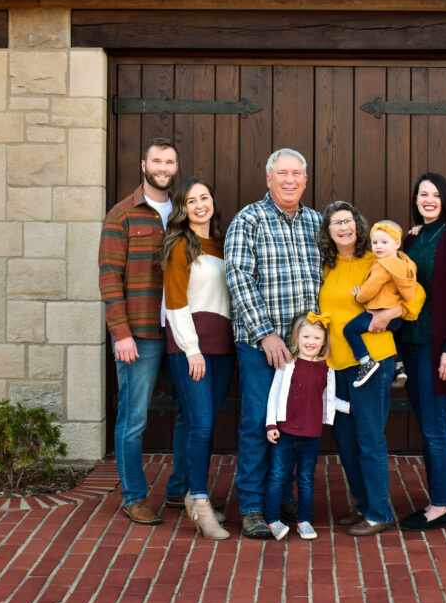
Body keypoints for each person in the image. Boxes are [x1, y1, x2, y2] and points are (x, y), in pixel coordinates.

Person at [224, 148, 323, 539]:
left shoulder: (317, 222)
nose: (289, 180)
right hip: (260, 345)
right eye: (281, 173)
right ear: (268, 178)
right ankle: (250, 505)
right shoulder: (249, 220)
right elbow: (238, 278)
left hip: (304, 354)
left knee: (294, 427)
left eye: (296, 173)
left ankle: (277, 497)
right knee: (256, 424)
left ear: (305, 180)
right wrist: (266, 334)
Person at [317, 202, 424, 536]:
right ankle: (363, 505)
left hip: (373, 361)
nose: (344, 228)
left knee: (368, 437)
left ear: (358, 225)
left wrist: (388, 314)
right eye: (336, 223)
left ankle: (379, 513)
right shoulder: (325, 264)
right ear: (328, 230)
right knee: (346, 439)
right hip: (337, 364)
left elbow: (416, 296)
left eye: (348, 221)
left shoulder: (376, 259)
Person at [98, 136, 186, 525]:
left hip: (181, 333)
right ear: (143, 165)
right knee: (133, 419)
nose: (163, 167)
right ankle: (134, 496)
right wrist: (121, 333)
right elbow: (109, 277)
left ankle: (179, 490)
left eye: (169, 161)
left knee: (192, 411)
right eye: (157, 161)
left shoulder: (184, 213)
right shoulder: (123, 215)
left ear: (175, 167)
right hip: (142, 334)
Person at [397, 173, 446, 532]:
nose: (428, 200)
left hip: (437, 349)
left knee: (434, 427)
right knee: (428, 425)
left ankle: (441, 505)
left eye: (434, 195)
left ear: (445, 199)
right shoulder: (414, 238)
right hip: (411, 347)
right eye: (422, 194)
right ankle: (438, 497)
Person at [160, 177, 234, 540]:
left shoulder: (223, 244)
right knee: (201, 424)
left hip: (223, 348)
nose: (200, 204)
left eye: (205, 197)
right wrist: (192, 349)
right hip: (192, 349)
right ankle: (201, 502)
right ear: (183, 209)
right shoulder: (179, 246)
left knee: (200, 423)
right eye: (192, 200)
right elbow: (175, 302)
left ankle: (191, 491)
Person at [264, 312, 349, 541]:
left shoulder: (326, 369)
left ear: (323, 342)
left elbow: (329, 400)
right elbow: (274, 395)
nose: (311, 342)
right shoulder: (287, 364)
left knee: (306, 478)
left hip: (311, 434)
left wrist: (351, 407)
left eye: (316, 338)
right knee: (278, 475)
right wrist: (271, 423)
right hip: (284, 431)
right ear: (296, 337)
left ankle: (303, 520)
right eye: (306, 337)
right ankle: (272, 519)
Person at [343, 220, 418, 388]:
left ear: (397, 243)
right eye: (375, 242)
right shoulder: (405, 262)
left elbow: (369, 290)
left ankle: (365, 360)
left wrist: (358, 296)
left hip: (380, 312)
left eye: (384, 242)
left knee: (349, 330)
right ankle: (400, 366)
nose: (378, 246)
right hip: (397, 318)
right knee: (393, 335)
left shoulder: (383, 265)